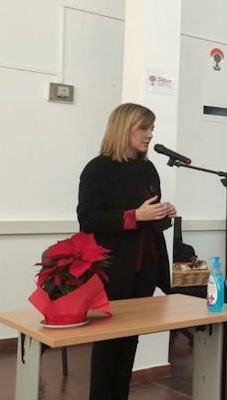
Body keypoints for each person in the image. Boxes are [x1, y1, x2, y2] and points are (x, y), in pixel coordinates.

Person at [77, 103, 176, 400]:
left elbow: (150, 219)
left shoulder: (147, 168)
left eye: (152, 128)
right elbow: (88, 220)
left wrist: (164, 213)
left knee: (130, 341)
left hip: (146, 268)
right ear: (124, 129)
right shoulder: (97, 169)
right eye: (143, 128)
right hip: (114, 269)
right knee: (108, 343)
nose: (150, 134)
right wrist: (134, 216)